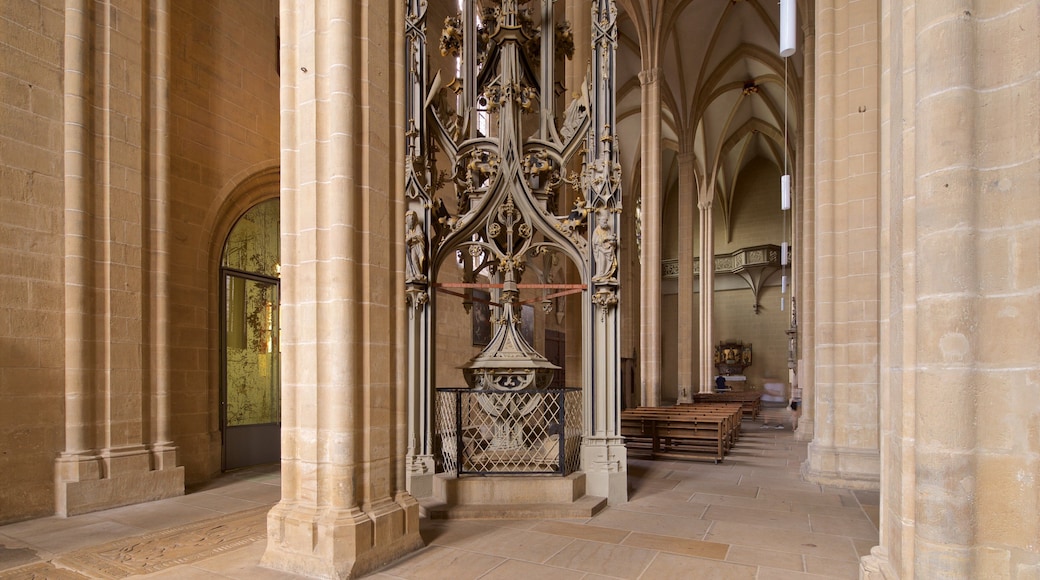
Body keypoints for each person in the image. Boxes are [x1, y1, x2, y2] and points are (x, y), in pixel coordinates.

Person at [591, 210, 617, 282]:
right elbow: (595, 241)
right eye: (604, 222)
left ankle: (607, 275)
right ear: (600, 221)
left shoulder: (608, 230)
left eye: (606, 222)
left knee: (607, 264)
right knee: (602, 263)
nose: (605, 223)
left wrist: (612, 241)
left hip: (608, 250)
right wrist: (606, 238)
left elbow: (611, 238)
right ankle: (601, 275)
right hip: (601, 251)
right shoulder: (597, 230)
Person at [405, 210, 427, 283]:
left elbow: (420, 236)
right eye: (409, 220)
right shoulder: (406, 228)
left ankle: (418, 274)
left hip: (416, 247)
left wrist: (411, 238)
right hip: (409, 248)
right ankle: (410, 274)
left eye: (412, 219)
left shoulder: (417, 226)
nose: (410, 221)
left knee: (414, 259)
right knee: (408, 261)